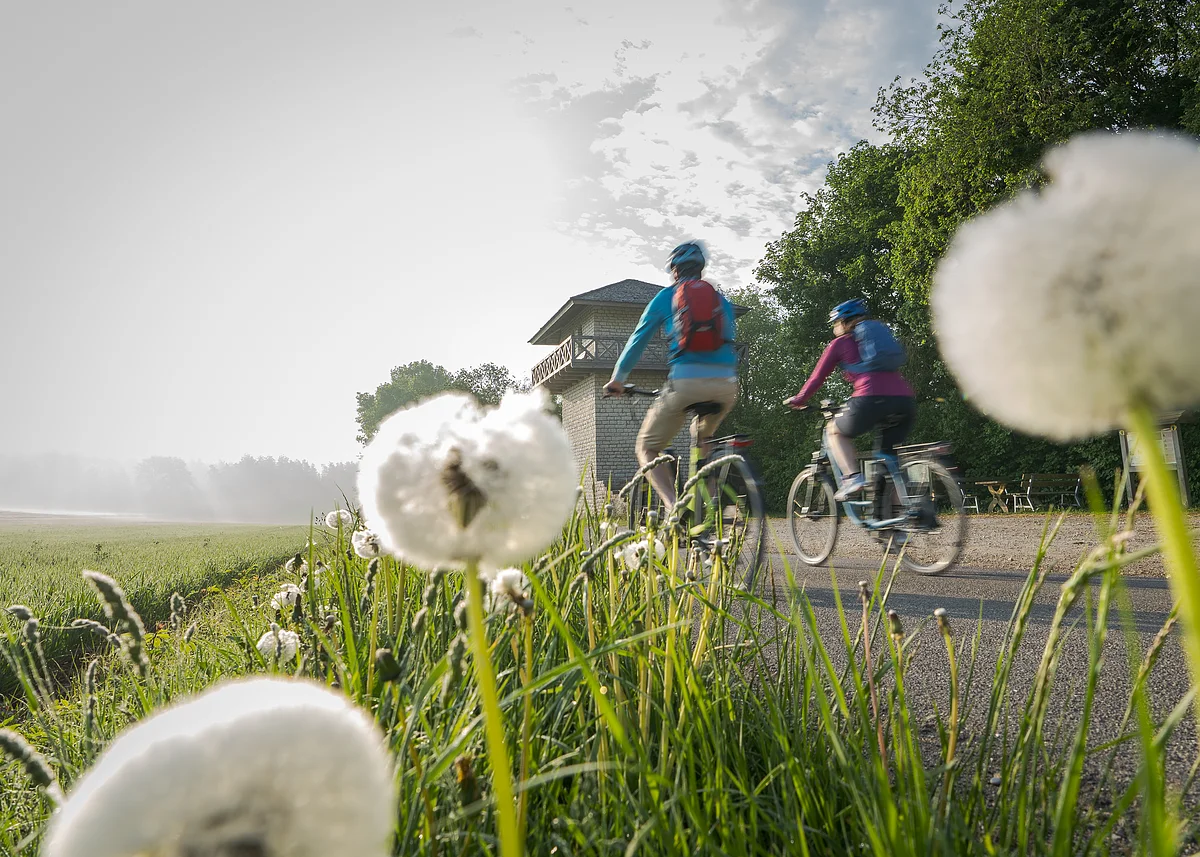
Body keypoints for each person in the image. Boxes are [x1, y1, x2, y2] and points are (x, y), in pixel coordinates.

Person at [603, 242, 739, 510]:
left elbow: (637, 340)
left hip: (686, 382)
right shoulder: (720, 300)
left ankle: (674, 508)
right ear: (700, 269)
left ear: (675, 271)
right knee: (702, 437)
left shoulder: (666, 297)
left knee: (647, 448)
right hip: (727, 385)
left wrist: (617, 379)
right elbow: (729, 339)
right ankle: (709, 509)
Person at [785, 299, 915, 501]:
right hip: (905, 401)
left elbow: (817, 377)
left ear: (844, 322)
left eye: (835, 323)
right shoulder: (876, 338)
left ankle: (852, 478)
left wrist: (799, 399)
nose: (835, 328)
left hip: (870, 397)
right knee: (888, 461)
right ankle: (899, 521)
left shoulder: (840, 343)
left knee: (833, 431)